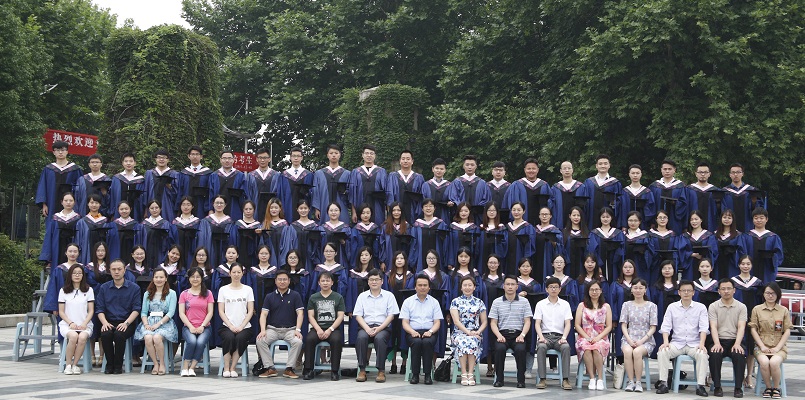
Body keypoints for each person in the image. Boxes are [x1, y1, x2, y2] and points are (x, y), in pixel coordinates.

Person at [655, 280, 709, 396]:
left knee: (702, 354)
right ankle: (663, 383)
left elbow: (704, 328)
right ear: (679, 292)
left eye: (689, 290)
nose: (686, 293)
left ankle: (700, 386)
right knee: (663, 352)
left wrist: (702, 343)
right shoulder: (672, 307)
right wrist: (666, 342)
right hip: (677, 343)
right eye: (683, 290)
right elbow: (666, 326)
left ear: (693, 292)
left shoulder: (701, 307)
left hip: (694, 343)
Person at [36, 140, 84, 259]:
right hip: (52, 205)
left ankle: (74, 256)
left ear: (67, 152)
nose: (60, 152)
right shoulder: (48, 169)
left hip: (71, 206)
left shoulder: (75, 169)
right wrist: (44, 204)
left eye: (63, 150)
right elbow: (43, 187)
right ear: (53, 152)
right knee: (52, 229)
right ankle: (50, 258)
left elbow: (80, 190)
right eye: (57, 150)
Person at [255, 270, 304, 379]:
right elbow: (263, 314)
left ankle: (289, 369)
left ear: (289, 281)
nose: (282, 282)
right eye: (280, 279)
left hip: (290, 330)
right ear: (275, 281)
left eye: (284, 279)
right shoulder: (269, 296)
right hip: (273, 329)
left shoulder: (295, 295)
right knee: (260, 340)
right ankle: (270, 368)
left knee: (298, 342)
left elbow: (300, 313)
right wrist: (263, 330)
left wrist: (298, 330)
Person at [95, 259, 142, 374]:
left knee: (119, 335)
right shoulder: (104, 288)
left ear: (124, 270)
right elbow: (100, 309)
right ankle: (109, 364)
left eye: (119, 269)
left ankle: (118, 365)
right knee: (106, 335)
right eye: (114, 269)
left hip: (127, 322)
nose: (116, 272)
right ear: (109, 271)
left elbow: (136, 309)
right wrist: (104, 323)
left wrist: (126, 323)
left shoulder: (134, 288)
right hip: (108, 321)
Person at [353, 268, 400, 383]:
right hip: (366, 327)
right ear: (368, 282)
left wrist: (379, 328)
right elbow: (358, 315)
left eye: (377, 279)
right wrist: (367, 329)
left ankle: (381, 371)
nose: (374, 282)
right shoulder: (362, 296)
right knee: (361, 337)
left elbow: (391, 316)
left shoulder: (389, 296)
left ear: (382, 281)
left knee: (379, 339)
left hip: (383, 327)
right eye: (371, 279)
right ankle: (362, 369)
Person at [749, 282, 792, 400]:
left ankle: (776, 388)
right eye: (767, 293)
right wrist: (762, 346)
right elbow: (753, 329)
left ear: (778, 294)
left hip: (779, 346)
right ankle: (768, 388)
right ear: (763, 294)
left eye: (773, 293)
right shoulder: (757, 309)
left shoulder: (783, 310)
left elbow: (787, 330)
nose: (770, 296)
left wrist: (777, 348)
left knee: (773, 362)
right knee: (764, 362)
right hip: (761, 346)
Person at [489, 275, 532, 388]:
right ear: (503, 286)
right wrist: (498, 335)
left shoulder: (524, 302)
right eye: (507, 284)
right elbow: (493, 322)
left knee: (520, 350)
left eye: (513, 284)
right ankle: (499, 379)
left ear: (517, 286)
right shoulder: (497, 302)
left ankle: (521, 380)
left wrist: (522, 335)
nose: (510, 287)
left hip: (518, 334)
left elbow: (527, 321)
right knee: (499, 349)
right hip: (502, 334)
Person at [400, 275, 444, 385]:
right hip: (412, 332)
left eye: (425, 285)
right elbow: (405, 322)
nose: (422, 287)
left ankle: (427, 375)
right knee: (417, 342)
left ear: (429, 287)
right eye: (420, 285)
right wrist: (412, 332)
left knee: (427, 343)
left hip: (430, 332)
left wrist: (430, 332)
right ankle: (415, 375)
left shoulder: (434, 302)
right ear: (415, 287)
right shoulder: (408, 302)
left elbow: (437, 322)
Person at [708, 278, 748, 398]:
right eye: (723, 289)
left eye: (729, 288)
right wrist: (716, 343)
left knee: (739, 355)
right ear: (719, 291)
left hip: (735, 340)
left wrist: (737, 344)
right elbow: (713, 326)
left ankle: (738, 387)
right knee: (715, 354)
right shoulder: (713, 306)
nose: (726, 291)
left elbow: (741, 327)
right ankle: (717, 386)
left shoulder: (741, 307)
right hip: (718, 339)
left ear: (734, 290)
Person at [302, 272, 346, 380]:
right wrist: (318, 329)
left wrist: (330, 329)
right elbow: (310, 316)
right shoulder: (313, 297)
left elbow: (340, 316)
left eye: (327, 281)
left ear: (332, 282)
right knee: (309, 339)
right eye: (323, 281)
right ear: (319, 283)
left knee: (336, 340)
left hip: (333, 329)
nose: (325, 283)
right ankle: (309, 370)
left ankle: (334, 371)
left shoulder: (338, 297)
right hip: (317, 329)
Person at [134, 268, 178, 375]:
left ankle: (162, 363)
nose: (159, 279)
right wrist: (146, 324)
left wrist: (159, 324)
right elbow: (144, 312)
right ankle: (155, 364)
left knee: (157, 338)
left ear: (166, 278)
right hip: (150, 322)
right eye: (156, 277)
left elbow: (171, 312)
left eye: (161, 277)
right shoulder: (147, 293)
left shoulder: (172, 293)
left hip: (165, 322)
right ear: (153, 279)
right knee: (148, 338)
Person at [534, 277, 574, 390]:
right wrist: (541, 337)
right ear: (546, 289)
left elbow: (568, 323)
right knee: (541, 347)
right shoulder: (540, 304)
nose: (553, 289)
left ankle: (565, 379)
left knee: (566, 347)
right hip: (545, 336)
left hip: (559, 337)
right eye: (551, 287)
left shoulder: (565, 304)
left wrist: (564, 337)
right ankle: (542, 379)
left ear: (560, 289)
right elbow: (537, 324)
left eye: (556, 287)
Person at [217, 263, 254, 378]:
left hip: (245, 326)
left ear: (242, 273)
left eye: (239, 272)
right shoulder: (223, 290)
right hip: (227, 326)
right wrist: (230, 325)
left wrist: (242, 326)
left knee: (240, 338)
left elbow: (250, 311)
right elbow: (221, 311)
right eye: (234, 272)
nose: (236, 274)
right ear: (229, 273)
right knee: (229, 337)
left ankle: (233, 368)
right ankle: (226, 367)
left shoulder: (248, 290)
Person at [620, 278, 657, 393]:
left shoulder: (652, 306)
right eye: (635, 288)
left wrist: (642, 341)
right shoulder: (626, 305)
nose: (638, 290)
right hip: (629, 338)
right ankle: (631, 382)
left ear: (645, 290)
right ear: (631, 290)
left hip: (646, 340)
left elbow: (653, 327)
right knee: (627, 351)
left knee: (637, 352)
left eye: (641, 288)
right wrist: (629, 340)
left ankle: (639, 382)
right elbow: (624, 325)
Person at [450, 275, 488, 386]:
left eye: (470, 285)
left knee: (473, 341)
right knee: (463, 341)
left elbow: (484, 322)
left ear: (474, 287)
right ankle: (463, 373)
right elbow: (456, 321)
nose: (467, 287)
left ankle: (470, 373)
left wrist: (478, 332)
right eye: (465, 285)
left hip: (475, 333)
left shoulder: (479, 302)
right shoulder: (455, 302)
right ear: (461, 287)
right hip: (459, 333)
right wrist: (468, 332)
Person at [575, 280, 612, 390]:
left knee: (597, 348)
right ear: (588, 291)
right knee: (586, 348)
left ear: (601, 291)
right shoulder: (582, 306)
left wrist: (598, 337)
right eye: (592, 290)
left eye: (596, 289)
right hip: (584, 336)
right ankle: (592, 378)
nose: (594, 292)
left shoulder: (606, 306)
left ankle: (600, 379)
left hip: (600, 337)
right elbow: (577, 325)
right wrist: (586, 337)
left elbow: (609, 326)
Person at [58, 264, 95, 375]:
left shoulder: (89, 290)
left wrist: (84, 323)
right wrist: (70, 323)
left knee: (82, 337)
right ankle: (68, 365)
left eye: (79, 273)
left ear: (83, 275)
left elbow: (91, 311)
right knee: (73, 336)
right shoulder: (63, 291)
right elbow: (61, 312)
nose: (77, 275)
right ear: (70, 275)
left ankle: (75, 364)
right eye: (74, 273)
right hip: (67, 324)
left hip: (85, 324)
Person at [178, 267, 214, 377]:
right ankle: (185, 367)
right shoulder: (184, 294)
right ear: (189, 278)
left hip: (205, 327)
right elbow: (181, 313)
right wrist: (190, 327)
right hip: (188, 327)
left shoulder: (208, 293)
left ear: (202, 278)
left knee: (200, 342)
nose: (195, 279)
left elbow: (210, 312)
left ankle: (192, 367)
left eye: (198, 277)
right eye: (192, 277)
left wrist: (202, 326)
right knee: (192, 341)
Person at [386, 150, 430, 230]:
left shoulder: (419, 178)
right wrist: (392, 212)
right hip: (397, 213)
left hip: (413, 212)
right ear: (400, 161)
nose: (405, 161)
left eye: (408, 159)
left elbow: (421, 198)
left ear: (412, 161)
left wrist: (418, 213)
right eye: (403, 159)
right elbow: (390, 195)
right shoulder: (393, 176)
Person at [503, 158, 553, 226]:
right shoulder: (517, 185)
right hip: (521, 225)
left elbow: (550, 204)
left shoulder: (544, 185)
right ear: (525, 170)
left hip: (541, 225)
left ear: (537, 170)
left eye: (533, 168)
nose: (531, 171)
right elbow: (511, 204)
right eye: (529, 169)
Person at [742, 207, 783, 285]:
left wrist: (771, 257)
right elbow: (742, 253)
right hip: (750, 270)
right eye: (756, 218)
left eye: (761, 218)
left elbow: (779, 256)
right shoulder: (746, 236)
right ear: (752, 220)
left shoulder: (773, 237)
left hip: (767, 271)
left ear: (766, 219)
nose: (759, 220)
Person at [312, 144, 351, 224]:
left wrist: (345, 192)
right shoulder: (319, 174)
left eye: (336, 153)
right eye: (331, 153)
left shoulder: (347, 174)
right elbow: (316, 192)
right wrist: (317, 208)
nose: (334, 155)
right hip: (323, 206)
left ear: (340, 155)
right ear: (327, 155)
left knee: (342, 227)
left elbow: (351, 192)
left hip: (341, 206)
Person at [349, 145, 387, 225]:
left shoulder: (381, 171)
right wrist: (354, 212)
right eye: (366, 153)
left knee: (378, 228)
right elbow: (352, 193)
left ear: (375, 156)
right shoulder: (356, 172)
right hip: (360, 207)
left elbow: (386, 192)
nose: (369, 155)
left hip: (378, 207)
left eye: (371, 153)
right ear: (362, 155)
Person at [447, 155, 491, 225]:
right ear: (463, 166)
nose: (469, 167)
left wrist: (476, 209)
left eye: (472, 165)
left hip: (477, 217)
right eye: (467, 165)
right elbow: (454, 198)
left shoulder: (482, 183)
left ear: (476, 166)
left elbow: (486, 199)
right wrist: (463, 209)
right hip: (461, 216)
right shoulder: (457, 182)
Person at [40, 192, 81, 266]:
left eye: (71, 200)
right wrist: (48, 257)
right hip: (57, 250)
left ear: (74, 202)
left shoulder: (78, 219)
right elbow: (49, 237)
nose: (68, 203)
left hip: (74, 250)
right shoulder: (55, 218)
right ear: (62, 202)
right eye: (66, 200)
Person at [723, 163, 766, 233]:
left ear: (742, 174)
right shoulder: (724, 192)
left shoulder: (752, 191)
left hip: (748, 227)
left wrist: (753, 203)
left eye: (738, 172)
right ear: (730, 174)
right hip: (729, 230)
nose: (735, 174)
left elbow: (759, 210)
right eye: (733, 172)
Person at [209, 149, 250, 221]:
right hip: (217, 212)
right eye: (224, 158)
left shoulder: (240, 176)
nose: (227, 160)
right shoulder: (214, 175)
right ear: (220, 160)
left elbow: (244, 195)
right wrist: (210, 210)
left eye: (229, 158)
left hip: (235, 211)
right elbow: (210, 194)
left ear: (234, 160)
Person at [582, 154, 621, 229]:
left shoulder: (615, 183)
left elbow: (619, 203)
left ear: (609, 165)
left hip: (609, 219)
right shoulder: (589, 182)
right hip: (591, 218)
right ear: (596, 166)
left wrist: (613, 203)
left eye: (605, 163)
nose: (603, 166)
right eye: (600, 164)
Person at [649, 159, 688, 234]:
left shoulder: (681, 186)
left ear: (674, 170)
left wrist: (676, 203)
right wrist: (652, 221)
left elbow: (684, 204)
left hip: (674, 221)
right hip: (657, 223)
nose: (667, 171)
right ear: (661, 170)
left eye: (670, 169)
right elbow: (651, 205)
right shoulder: (654, 186)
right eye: (665, 169)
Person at [278, 146, 314, 223]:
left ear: (302, 158)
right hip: (288, 208)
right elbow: (281, 194)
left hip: (304, 208)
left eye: (298, 156)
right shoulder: (284, 175)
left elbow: (312, 193)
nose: (296, 158)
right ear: (290, 158)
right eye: (294, 156)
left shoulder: (308, 174)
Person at [587, 207, 624, 282]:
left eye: (607, 217)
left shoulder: (618, 233)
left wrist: (615, 259)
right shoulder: (594, 233)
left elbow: (621, 248)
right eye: (603, 217)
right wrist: (598, 264)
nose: (605, 219)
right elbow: (592, 250)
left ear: (611, 218)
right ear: (600, 218)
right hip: (599, 265)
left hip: (614, 264)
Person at [196, 195, 234, 268]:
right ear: (213, 204)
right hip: (209, 249)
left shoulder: (230, 222)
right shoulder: (205, 221)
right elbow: (202, 239)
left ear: (225, 205)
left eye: (221, 203)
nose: (219, 205)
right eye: (217, 203)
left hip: (224, 250)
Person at [680, 210, 718, 281]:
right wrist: (691, 254)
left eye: (696, 219)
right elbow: (681, 251)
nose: (694, 221)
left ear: (701, 220)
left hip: (704, 265)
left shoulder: (708, 235)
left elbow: (713, 251)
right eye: (691, 219)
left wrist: (704, 254)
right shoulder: (685, 236)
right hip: (690, 265)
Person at [411, 199, 448, 272]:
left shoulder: (441, 224)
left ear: (434, 208)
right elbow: (413, 244)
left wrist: (446, 260)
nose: (428, 208)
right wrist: (413, 260)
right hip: (421, 258)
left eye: (431, 206)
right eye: (426, 206)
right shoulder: (417, 225)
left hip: (438, 256)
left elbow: (445, 243)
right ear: (422, 209)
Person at [247, 147, 282, 223]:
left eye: (265, 158)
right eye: (260, 158)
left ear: (269, 159)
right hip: (256, 210)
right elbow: (249, 194)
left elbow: (279, 194)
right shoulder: (251, 175)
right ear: (257, 159)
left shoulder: (276, 175)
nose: (262, 160)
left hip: (272, 210)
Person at [177, 145, 213, 218]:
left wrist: (210, 208)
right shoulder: (184, 173)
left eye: (197, 154)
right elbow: (180, 191)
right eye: (193, 154)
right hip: (186, 207)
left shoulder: (208, 173)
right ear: (189, 156)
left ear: (201, 156)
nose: (195, 156)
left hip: (202, 206)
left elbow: (210, 192)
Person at [144, 149, 179, 222]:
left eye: (164, 157)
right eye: (159, 157)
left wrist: (170, 188)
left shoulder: (174, 174)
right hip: (151, 207)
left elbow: (177, 193)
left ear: (168, 160)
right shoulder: (149, 174)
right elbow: (145, 192)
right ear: (155, 159)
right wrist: (145, 209)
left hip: (168, 206)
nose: (161, 159)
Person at [109, 153, 146, 221]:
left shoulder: (140, 179)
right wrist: (112, 212)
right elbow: (112, 196)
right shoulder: (116, 178)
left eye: (131, 161)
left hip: (135, 210)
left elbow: (143, 197)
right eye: (126, 161)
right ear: (122, 163)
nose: (128, 163)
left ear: (135, 163)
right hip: (118, 212)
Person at [618, 164, 655, 230]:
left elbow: (652, 209)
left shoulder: (647, 192)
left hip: (643, 225)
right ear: (629, 174)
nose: (635, 175)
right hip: (627, 226)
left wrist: (644, 207)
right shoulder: (624, 192)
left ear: (641, 174)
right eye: (633, 173)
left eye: (637, 173)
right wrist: (623, 225)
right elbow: (621, 211)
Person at [504, 202, 536, 276]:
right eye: (514, 210)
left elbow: (531, 247)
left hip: (521, 257)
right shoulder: (506, 227)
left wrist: (525, 260)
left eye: (519, 210)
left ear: (524, 211)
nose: (516, 212)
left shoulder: (528, 227)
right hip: (507, 259)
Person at [551, 161, 586, 230]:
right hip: (560, 222)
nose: (567, 170)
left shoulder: (580, 187)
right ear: (561, 171)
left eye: (569, 168)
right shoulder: (555, 188)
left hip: (578, 225)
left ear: (572, 170)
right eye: (564, 168)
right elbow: (552, 207)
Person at [687, 162, 721, 231]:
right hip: (692, 229)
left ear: (709, 174)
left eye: (705, 172)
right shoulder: (688, 190)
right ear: (696, 174)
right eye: (700, 172)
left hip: (711, 227)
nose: (703, 174)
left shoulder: (715, 191)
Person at [258, 197, 288, 267]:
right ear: (268, 209)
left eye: (276, 208)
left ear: (280, 209)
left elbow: (287, 243)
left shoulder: (285, 224)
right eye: (271, 208)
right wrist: (259, 234)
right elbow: (261, 243)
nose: (274, 210)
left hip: (281, 254)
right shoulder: (265, 224)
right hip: (268, 256)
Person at [232, 201, 262, 269]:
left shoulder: (258, 225)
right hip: (240, 252)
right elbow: (233, 240)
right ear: (243, 210)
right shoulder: (237, 224)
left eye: (250, 209)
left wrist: (260, 235)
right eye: (246, 209)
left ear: (254, 210)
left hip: (253, 256)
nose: (248, 211)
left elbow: (260, 243)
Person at [424, 158, 452, 222]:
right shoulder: (426, 185)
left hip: (444, 215)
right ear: (432, 169)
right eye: (437, 168)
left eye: (441, 169)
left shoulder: (449, 185)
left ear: (445, 170)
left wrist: (451, 203)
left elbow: (452, 199)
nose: (439, 171)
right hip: (429, 215)